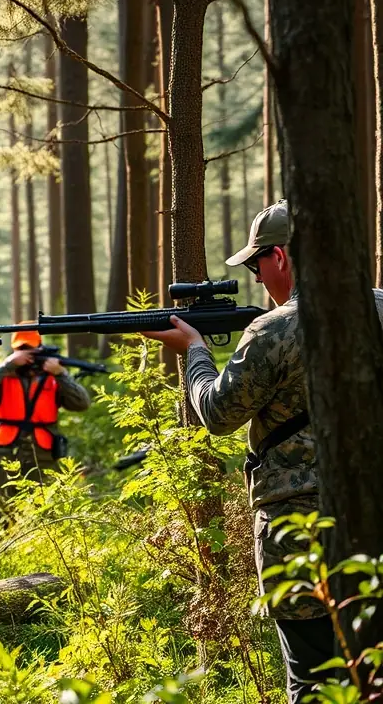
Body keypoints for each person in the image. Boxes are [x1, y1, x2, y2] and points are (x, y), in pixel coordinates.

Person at [142, 199, 383, 703]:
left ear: (283, 257)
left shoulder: (273, 330)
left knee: (313, 680)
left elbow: (217, 414)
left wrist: (196, 352)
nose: (255, 277)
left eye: (256, 263)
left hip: (300, 527)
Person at [0, 325, 91, 526]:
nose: (28, 356)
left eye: (32, 350)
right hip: (3, 452)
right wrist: (8, 365)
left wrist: (61, 374)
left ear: (40, 349)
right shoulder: (2, 373)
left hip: (42, 453)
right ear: (15, 350)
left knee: (46, 509)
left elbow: (82, 403)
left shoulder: (53, 377)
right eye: (22, 350)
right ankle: (0, 551)